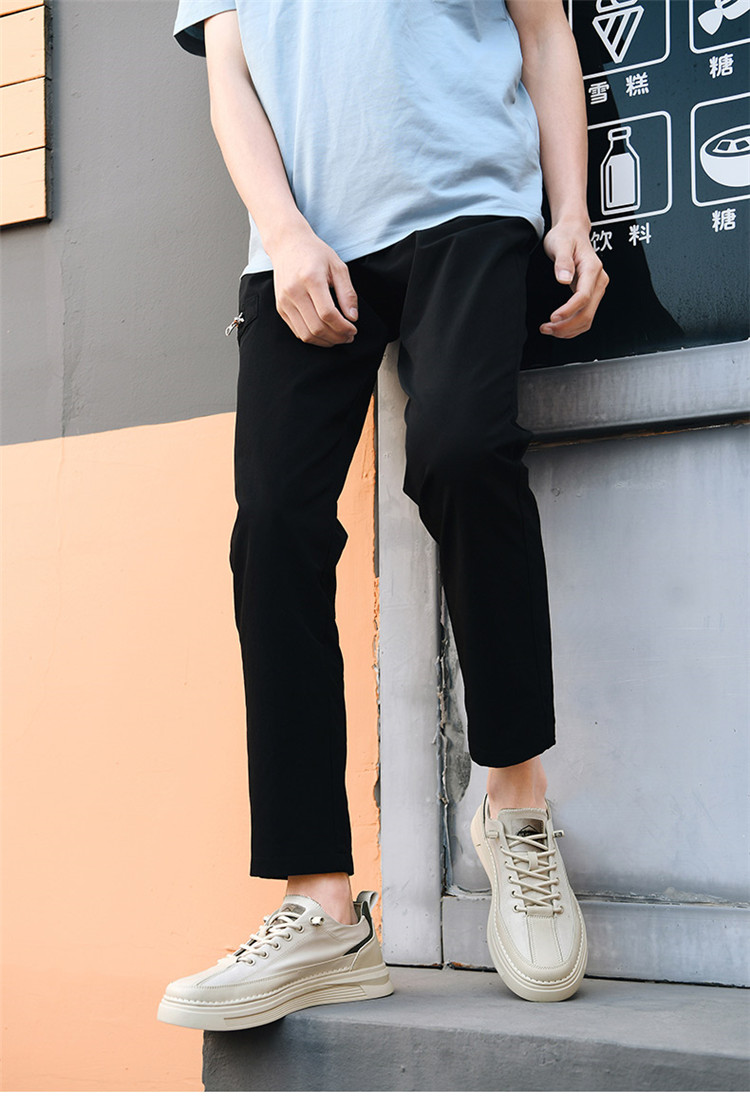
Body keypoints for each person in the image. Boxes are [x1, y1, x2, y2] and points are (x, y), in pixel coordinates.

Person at [157, 0, 608, 1032]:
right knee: (273, 524)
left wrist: (571, 213)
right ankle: (322, 906)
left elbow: (544, 31)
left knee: (463, 450)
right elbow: (230, 76)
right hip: (303, 239)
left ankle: (517, 804)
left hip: (469, 202)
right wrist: (283, 231)